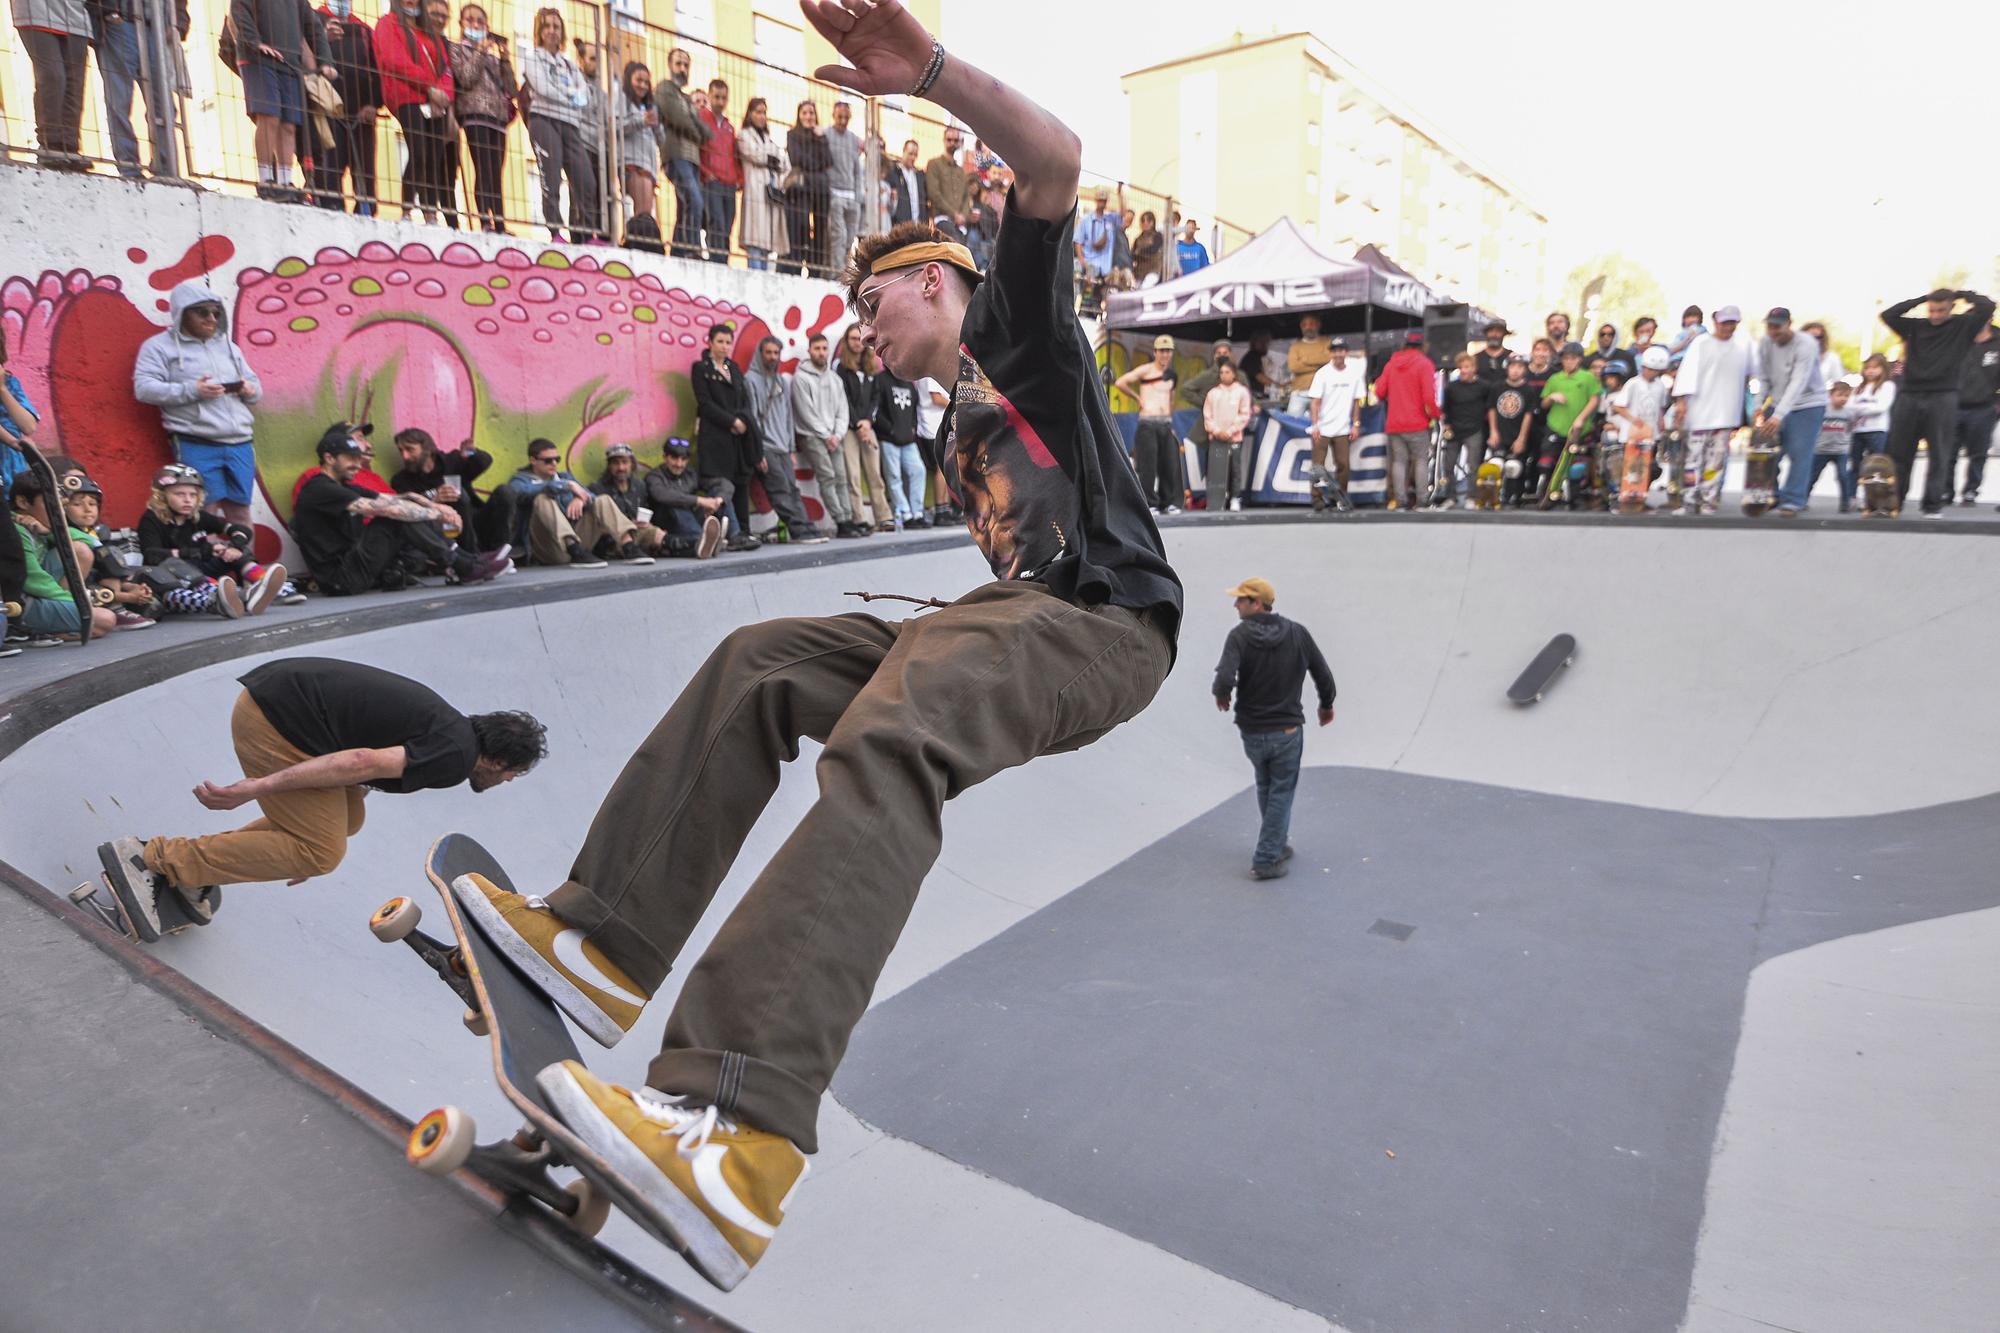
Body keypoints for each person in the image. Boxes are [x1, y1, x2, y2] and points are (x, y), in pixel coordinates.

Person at [454, 4, 1180, 1292]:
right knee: (768, 660)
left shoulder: (1016, 336)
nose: (861, 329)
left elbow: (1056, 158)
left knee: (900, 724)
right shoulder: (954, 420)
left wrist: (936, 78)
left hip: (1103, 625)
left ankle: (739, 1129)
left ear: (935, 282)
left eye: (873, 302)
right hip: (1014, 620)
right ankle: (604, 936)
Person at [103, 658, 544, 933]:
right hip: (278, 720)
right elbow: (358, 763)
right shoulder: (454, 757)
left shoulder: (454, 731)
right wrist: (255, 790)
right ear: (498, 762)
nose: (507, 782)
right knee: (321, 852)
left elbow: (364, 768)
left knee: (345, 823)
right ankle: (154, 859)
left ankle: (202, 866)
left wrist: (296, 844)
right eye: (514, 774)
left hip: (284, 701)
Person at [1212, 577, 1333, 881]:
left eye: (1241, 599)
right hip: (1287, 730)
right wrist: (1326, 704)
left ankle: (1276, 844)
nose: (1236, 604)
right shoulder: (1297, 633)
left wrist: (1222, 695)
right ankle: (1266, 858)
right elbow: (1322, 673)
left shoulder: (1239, 636)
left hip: (1252, 731)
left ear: (1258, 603)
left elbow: (1225, 675)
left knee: (1267, 786)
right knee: (1280, 791)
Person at [296, 423, 510, 590]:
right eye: (350, 459)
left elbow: (395, 498)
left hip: (355, 565)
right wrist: (435, 513)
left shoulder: (342, 485)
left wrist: (438, 507)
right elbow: (384, 509)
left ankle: (466, 561)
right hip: (341, 578)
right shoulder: (319, 488)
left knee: (405, 510)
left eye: (358, 458)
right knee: (396, 517)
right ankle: (462, 566)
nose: (357, 464)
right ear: (329, 458)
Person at [132, 281, 264, 529]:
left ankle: (250, 567)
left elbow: (256, 387)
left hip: (241, 442)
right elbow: (144, 388)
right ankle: (211, 569)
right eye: (202, 312)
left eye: (216, 312)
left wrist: (249, 390)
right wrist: (193, 390)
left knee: (241, 513)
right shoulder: (158, 347)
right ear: (183, 313)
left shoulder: (229, 347)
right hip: (197, 442)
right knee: (203, 513)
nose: (211, 318)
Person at [1880, 288, 1995, 514]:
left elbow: (1988, 306)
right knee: (1899, 452)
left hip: (1943, 394)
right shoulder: (1915, 327)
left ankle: (1932, 504)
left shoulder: (1963, 325)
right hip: (1910, 393)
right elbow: (1888, 315)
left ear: (1951, 307)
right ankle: (1896, 502)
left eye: (1941, 310)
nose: (1936, 315)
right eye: (1932, 310)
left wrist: (1963, 293)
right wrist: (1922, 298)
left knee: (1940, 452)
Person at [137, 460, 291, 614]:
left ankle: (272, 588)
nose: (188, 500)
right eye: (179, 494)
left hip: (200, 568)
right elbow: (152, 555)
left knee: (236, 552)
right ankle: (231, 596)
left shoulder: (196, 516)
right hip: (174, 576)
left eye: (193, 495)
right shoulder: (152, 519)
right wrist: (198, 551)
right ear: (162, 497)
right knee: (175, 564)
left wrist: (234, 547)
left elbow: (239, 529)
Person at [235, 0, 335, 201]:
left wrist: (326, 61)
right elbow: (238, 11)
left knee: (289, 124)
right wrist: (255, 42)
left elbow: (312, 25)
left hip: (290, 63)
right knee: (269, 117)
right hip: (258, 58)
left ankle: (285, 181)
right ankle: (266, 180)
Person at [504, 437, 651, 565]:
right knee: (543, 499)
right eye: (548, 460)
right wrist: (566, 486)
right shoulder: (520, 480)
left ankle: (629, 546)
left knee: (602, 500)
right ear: (533, 460)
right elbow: (522, 492)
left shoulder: (565, 476)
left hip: (580, 543)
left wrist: (581, 499)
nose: (554, 463)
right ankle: (573, 548)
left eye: (557, 459)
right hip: (548, 548)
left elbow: (590, 496)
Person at [1670, 305, 1759, 514]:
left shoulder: (1744, 345)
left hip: (1726, 413)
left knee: (1715, 462)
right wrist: (1682, 404)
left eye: (1732, 323)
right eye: (1724, 322)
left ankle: (1709, 500)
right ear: (1715, 321)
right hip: (1699, 413)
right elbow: (1686, 376)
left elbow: (1754, 373)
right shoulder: (1701, 343)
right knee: (1693, 459)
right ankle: (1689, 500)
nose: (1727, 327)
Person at [10, 468, 117, 639]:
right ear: (23, 502)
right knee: (105, 620)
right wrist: (77, 602)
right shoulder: (15, 529)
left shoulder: (38, 524)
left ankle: (53, 625)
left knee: (80, 550)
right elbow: (33, 580)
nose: (57, 511)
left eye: (60, 505)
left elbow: (89, 541)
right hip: (22, 602)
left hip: (42, 593)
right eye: (50, 504)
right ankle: (26, 630)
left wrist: (50, 530)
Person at [372, 0, 453, 225]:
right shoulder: (387, 24)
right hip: (407, 97)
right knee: (418, 151)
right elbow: (395, 61)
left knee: (434, 157)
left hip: (435, 102)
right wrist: (430, 88)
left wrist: (444, 94)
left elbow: (446, 69)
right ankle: (406, 209)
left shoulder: (429, 32)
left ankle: (430, 213)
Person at [91, 0, 188, 180]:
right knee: (120, 99)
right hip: (119, 20)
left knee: (164, 105)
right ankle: (129, 166)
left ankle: (165, 168)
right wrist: (107, 13)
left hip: (156, 26)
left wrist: (178, 23)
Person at [522, 8, 596, 243]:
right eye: (547, 26)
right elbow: (542, 88)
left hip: (570, 125)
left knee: (586, 179)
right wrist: (570, 96)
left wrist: (572, 95)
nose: (552, 31)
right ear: (540, 31)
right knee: (551, 176)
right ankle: (555, 231)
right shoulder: (533, 57)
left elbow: (585, 95)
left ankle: (587, 232)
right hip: (544, 120)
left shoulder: (569, 64)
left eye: (556, 26)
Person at [745, 337, 826, 542]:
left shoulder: (781, 381)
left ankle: (806, 528)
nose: (773, 357)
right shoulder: (750, 380)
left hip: (783, 447)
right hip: (765, 447)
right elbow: (752, 419)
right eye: (768, 352)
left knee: (792, 488)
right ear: (760, 354)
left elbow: (788, 415)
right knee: (779, 489)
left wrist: (791, 448)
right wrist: (757, 451)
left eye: (776, 353)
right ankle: (800, 531)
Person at [1754, 308, 1829, 517]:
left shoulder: (1806, 344)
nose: (1773, 332)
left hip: (1809, 403)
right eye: (1769, 326)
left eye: (1777, 327)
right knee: (1766, 451)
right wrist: (1759, 405)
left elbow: (1798, 381)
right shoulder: (1766, 343)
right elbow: (1764, 377)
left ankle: (1794, 499)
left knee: (1799, 451)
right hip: (1778, 400)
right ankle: (1772, 494)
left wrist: (1779, 415)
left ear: (1789, 324)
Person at [447, 5, 513, 234]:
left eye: (480, 22)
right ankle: (485, 220)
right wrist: (480, 52)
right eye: (470, 20)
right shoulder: (457, 49)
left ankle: (501, 223)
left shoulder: (494, 59)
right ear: (461, 24)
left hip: (498, 118)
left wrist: (505, 60)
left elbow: (511, 89)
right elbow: (465, 77)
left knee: (497, 171)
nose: (475, 25)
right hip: (474, 114)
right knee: (483, 167)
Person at [789, 331, 860, 538]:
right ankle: (841, 521)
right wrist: (826, 435)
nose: (821, 353)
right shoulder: (801, 378)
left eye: (824, 348)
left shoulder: (835, 379)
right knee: (827, 477)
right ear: (809, 350)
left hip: (834, 436)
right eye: (817, 348)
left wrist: (836, 434)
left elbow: (842, 409)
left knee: (841, 476)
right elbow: (806, 412)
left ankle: (849, 519)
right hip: (811, 435)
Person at [312, 0, 381, 213]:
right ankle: (331, 209)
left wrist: (373, 104)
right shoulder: (314, 20)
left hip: (362, 114)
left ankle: (366, 212)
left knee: (365, 172)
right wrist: (323, 37)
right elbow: (304, 56)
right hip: (326, 110)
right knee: (330, 169)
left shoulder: (364, 30)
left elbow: (377, 71)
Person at [388, 427, 505, 552]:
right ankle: (472, 556)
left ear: (426, 449)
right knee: (456, 496)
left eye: (410, 450)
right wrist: (433, 501)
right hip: (446, 531)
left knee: (505, 492)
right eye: (401, 451)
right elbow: (408, 512)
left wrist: (471, 452)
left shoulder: (451, 461)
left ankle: (501, 552)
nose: (405, 456)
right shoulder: (401, 481)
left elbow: (484, 462)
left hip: (475, 522)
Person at [14, 0, 92, 170]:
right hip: (35, 12)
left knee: (75, 84)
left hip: (76, 16)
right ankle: (49, 145)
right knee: (53, 77)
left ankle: (70, 147)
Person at [1113, 336, 1183, 515]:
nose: (1165, 355)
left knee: (1169, 464)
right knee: (1148, 465)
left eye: (1168, 351)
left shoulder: (1172, 374)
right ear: (1155, 352)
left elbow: (1171, 399)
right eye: (1161, 351)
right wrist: (1137, 398)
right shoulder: (1146, 370)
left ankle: (1167, 502)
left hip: (1165, 423)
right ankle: (1150, 502)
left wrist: (1171, 419)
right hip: (1148, 423)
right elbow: (1120, 382)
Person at [653, 47, 709, 260]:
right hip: (676, 155)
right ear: (670, 65)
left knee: (685, 204)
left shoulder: (685, 98)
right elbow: (681, 120)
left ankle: (678, 250)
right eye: (678, 63)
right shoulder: (665, 89)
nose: (682, 68)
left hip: (691, 158)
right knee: (694, 200)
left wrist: (696, 128)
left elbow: (705, 131)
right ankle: (691, 248)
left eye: (686, 64)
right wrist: (696, 129)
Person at [835, 324, 892, 529]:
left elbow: (876, 398)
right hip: (850, 429)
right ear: (846, 342)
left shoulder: (871, 368)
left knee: (875, 474)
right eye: (852, 338)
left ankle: (883, 517)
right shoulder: (841, 369)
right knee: (853, 475)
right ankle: (859, 518)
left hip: (868, 427)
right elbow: (843, 400)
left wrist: (867, 421)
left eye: (859, 338)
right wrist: (858, 423)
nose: (856, 343)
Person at [1375, 329, 1439, 509]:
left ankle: (1400, 499)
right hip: (1417, 423)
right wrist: (1435, 415)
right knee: (1420, 460)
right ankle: (1422, 498)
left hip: (1395, 423)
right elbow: (1428, 396)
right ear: (1422, 346)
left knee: (1398, 461)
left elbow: (1379, 391)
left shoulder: (1391, 364)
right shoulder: (1424, 364)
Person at [1604, 345, 1671, 508]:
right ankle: (1624, 495)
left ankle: (1641, 496)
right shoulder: (1633, 384)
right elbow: (1619, 406)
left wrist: (1661, 421)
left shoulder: (1660, 386)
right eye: (1649, 369)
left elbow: (1660, 407)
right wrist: (1633, 420)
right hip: (1632, 433)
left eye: (1656, 371)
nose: (1652, 373)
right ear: (1643, 367)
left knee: (1650, 467)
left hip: (1651, 433)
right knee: (1631, 466)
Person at [640, 437, 727, 557]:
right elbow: (662, 495)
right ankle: (702, 540)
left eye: (683, 459)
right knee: (677, 504)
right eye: (674, 458)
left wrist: (718, 500)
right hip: (666, 522)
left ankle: (732, 537)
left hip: (689, 521)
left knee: (718, 496)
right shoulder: (654, 476)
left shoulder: (690, 474)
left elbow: (724, 484)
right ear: (665, 457)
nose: (679, 464)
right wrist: (700, 501)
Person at [1539, 341, 1602, 505]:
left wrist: (1581, 418)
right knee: (1547, 462)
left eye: (1573, 358)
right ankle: (1548, 493)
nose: (1570, 362)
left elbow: (1594, 399)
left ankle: (1573, 497)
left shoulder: (1587, 377)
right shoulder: (1555, 378)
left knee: (1575, 466)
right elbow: (1543, 403)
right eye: (1566, 358)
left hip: (1578, 429)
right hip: (1555, 425)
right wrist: (1551, 397)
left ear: (1580, 360)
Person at [1304, 337, 1363, 509]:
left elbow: (1356, 402)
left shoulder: (1354, 374)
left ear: (1346, 352)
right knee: (1317, 466)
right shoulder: (1322, 373)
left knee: (1344, 465)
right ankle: (1316, 499)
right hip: (1322, 427)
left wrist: (1356, 424)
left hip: (1343, 427)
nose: (1338, 354)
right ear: (1331, 353)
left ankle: (1341, 497)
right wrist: (1315, 425)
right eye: (1335, 351)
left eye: (1341, 350)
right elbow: (1315, 401)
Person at [730, 98, 789, 271]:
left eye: (764, 112)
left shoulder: (768, 140)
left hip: (771, 194)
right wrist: (770, 158)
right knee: (755, 240)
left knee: (766, 242)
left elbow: (784, 162)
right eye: (758, 112)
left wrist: (771, 158)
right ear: (750, 114)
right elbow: (754, 154)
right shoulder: (744, 135)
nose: (762, 116)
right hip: (755, 192)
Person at [581, 443, 663, 558]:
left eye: (625, 462)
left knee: (658, 534)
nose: (621, 468)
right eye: (616, 463)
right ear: (609, 466)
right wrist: (628, 525)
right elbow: (593, 528)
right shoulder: (597, 488)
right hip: (610, 541)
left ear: (632, 464)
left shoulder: (639, 485)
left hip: (637, 533)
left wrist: (644, 523)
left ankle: (692, 547)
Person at [868, 365, 926, 528]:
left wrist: (912, 427)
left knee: (918, 471)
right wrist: (890, 430)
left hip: (908, 439)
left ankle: (918, 512)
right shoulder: (880, 379)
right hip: (888, 438)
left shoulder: (908, 382)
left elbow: (914, 407)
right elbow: (875, 410)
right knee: (893, 477)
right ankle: (905, 515)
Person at [615, 61, 664, 249]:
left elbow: (662, 139)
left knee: (646, 211)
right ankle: (635, 244)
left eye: (646, 82)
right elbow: (616, 126)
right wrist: (641, 121)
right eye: (639, 80)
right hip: (632, 161)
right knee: (642, 212)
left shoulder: (650, 106)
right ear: (630, 80)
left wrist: (656, 123)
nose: (643, 85)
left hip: (649, 164)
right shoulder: (622, 98)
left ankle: (640, 243)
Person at [1952, 322, 1999, 505]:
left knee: (1978, 452)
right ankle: (1945, 490)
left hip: (1984, 406)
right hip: (1954, 403)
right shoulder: (1958, 340)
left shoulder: (1997, 343)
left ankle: (1971, 489)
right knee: (1948, 451)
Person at [784, 101, 832, 275]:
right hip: (802, 188)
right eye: (804, 112)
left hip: (820, 190)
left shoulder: (821, 137)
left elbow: (828, 161)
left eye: (811, 113)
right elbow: (796, 159)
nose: (808, 116)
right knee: (801, 226)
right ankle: (796, 267)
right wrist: (816, 165)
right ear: (799, 115)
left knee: (820, 231)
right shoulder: (792, 135)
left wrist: (820, 139)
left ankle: (815, 270)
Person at [696, 78, 739, 264]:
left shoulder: (730, 127)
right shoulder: (701, 118)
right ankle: (716, 260)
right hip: (711, 180)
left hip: (729, 183)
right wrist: (705, 173)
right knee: (717, 222)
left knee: (728, 226)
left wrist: (739, 179)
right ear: (709, 96)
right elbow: (697, 148)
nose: (720, 102)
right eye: (716, 97)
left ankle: (724, 259)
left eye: (723, 98)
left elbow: (735, 155)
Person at [821, 99, 866, 275]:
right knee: (837, 236)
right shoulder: (826, 134)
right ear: (834, 115)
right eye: (839, 117)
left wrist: (857, 195)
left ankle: (841, 271)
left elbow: (857, 170)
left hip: (851, 195)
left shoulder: (854, 139)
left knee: (849, 239)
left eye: (846, 117)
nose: (842, 120)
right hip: (834, 193)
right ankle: (837, 274)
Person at [1201, 362, 1253, 512]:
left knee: (1235, 469)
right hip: (1217, 438)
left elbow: (1244, 414)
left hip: (1234, 438)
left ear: (1234, 374)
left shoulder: (1242, 392)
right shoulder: (1213, 393)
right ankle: (1217, 498)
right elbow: (1207, 416)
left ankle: (1235, 498)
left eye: (1227, 372)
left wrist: (1230, 431)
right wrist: (1217, 431)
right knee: (1216, 469)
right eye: (1222, 372)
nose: (1224, 375)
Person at [1488, 355, 1539, 506]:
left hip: (1517, 435)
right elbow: (1491, 410)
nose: (1516, 370)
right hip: (1500, 433)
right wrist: (1493, 431)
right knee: (1496, 464)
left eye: (1520, 367)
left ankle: (1512, 496)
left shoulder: (1528, 390)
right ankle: (1493, 496)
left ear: (1525, 369)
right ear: (1507, 368)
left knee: (1513, 466)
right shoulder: (1497, 387)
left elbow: (1528, 416)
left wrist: (1522, 438)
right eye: (1513, 367)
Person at [1440, 352, 1489, 507]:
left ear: (1474, 368)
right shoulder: (1451, 387)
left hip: (1474, 429)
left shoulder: (1483, 386)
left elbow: (1489, 409)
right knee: (1448, 465)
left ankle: (1471, 496)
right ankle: (1451, 496)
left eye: (1467, 367)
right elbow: (1445, 408)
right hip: (1454, 430)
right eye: (1461, 367)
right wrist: (1447, 425)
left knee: (1473, 465)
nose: (1463, 370)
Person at [1810, 379, 1858, 513]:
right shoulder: (1823, 411)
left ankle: (1845, 503)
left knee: (1843, 476)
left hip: (1840, 450)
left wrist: (1846, 443)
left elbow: (1850, 428)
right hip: (1821, 450)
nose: (1843, 399)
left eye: (1846, 396)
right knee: (1813, 476)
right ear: (1831, 396)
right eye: (1840, 395)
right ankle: (1802, 499)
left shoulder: (1848, 414)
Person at [1850, 353, 1895, 486]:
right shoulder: (1859, 388)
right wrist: (1865, 408)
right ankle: (1852, 495)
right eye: (1867, 368)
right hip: (1857, 430)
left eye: (1875, 367)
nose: (1870, 371)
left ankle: (1875, 495)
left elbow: (1880, 407)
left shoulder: (1887, 386)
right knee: (1855, 464)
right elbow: (1849, 407)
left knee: (1876, 466)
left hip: (1877, 430)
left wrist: (1860, 408)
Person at [915, 375, 953, 525]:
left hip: (937, 424)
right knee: (941, 468)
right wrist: (957, 404)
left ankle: (945, 508)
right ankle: (940, 509)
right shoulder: (929, 374)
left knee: (945, 468)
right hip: (931, 426)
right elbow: (936, 398)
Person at [1074, 185, 1117, 316]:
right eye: (1100, 200)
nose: (1101, 203)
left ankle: (1094, 320)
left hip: (1104, 270)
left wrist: (1121, 195)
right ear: (1096, 200)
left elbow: (1123, 214)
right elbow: (1078, 242)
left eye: (1104, 200)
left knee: (1098, 303)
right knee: (1087, 299)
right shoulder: (1086, 220)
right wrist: (1084, 263)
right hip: (1090, 267)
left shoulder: (1110, 220)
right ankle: (1084, 319)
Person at [925, 124, 970, 238]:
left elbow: (966, 197)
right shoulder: (934, 164)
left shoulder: (961, 171)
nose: (952, 143)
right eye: (949, 140)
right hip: (941, 219)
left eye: (955, 140)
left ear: (960, 143)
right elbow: (934, 194)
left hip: (960, 224)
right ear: (944, 140)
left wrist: (963, 216)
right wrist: (954, 214)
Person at [1284, 314, 1333, 416]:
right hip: (1299, 393)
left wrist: (1304, 360)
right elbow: (1293, 367)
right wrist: (1319, 366)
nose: (1308, 327)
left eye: (1312, 324)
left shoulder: (1326, 341)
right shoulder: (1295, 346)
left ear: (1318, 325)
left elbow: (1329, 359)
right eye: (1304, 325)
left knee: (1322, 426)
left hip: (1322, 392)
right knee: (1293, 424)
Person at [885, 137, 928, 226]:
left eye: (915, 155)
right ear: (904, 151)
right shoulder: (894, 172)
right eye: (910, 154)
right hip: (900, 224)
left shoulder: (919, 176)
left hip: (917, 225)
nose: (913, 158)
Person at [1666, 304, 1707, 368]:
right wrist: (1687, 338)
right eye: (1689, 317)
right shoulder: (1682, 334)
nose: (1691, 320)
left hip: (1695, 360)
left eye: (1694, 317)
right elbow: (1672, 350)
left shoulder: (1703, 330)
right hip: (1678, 360)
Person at [1131, 211, 1164, 286]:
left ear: (1152, 222)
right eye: (1142, 221)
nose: (1145, 223)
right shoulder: (1138, 239)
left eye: (1148, 221)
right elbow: (1133, 255)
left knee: (1145, 288)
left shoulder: (1158, 236)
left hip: (1153, 271)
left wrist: (1139, 252)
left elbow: (1153, 249)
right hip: (1140, 273)